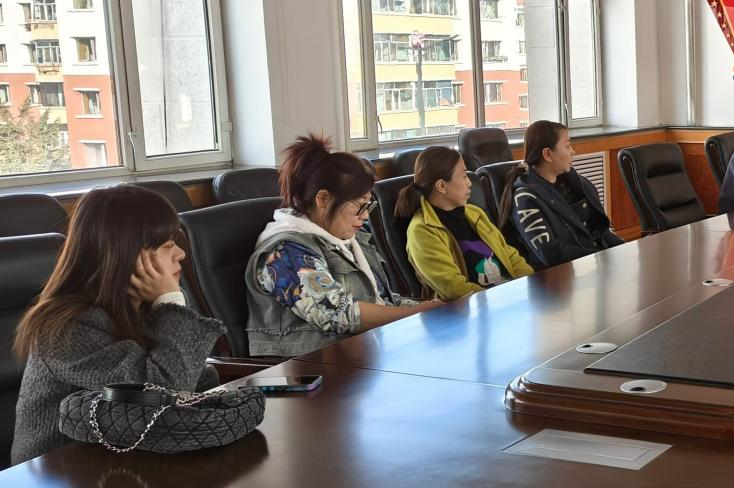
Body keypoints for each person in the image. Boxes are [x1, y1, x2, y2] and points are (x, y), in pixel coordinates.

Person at [11, 185, 225, 465]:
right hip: (60, 478)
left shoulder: (142, 307)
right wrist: (172, 304)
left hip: (121, 462)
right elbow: (163, 394)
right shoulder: (66, 327)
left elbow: (189, 382)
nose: (180, 254)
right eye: (167, 245)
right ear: (130, 254)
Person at [247, 134, 437, 356]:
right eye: (359, 205)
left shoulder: (349, 240)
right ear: (323, 199)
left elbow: (385, 301)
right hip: (311, 366)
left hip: (361, 355)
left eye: (368, 205)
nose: (365, 216)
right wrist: (417, 314)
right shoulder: (284, 252)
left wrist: (437, 307)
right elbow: (337, 313)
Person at [398, 146, 533, 300]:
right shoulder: (422, 231)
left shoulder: (474, 213)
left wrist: (529, 284)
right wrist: (501, 298)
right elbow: (454, 288)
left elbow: (509, 254)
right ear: (442, 186)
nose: (469, 183)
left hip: (508, 297)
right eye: (463, 176)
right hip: (471, 308)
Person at [501, 121, 622, 269]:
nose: (573, 151)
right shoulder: (525, 200)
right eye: (567, 146)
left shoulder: (576, 184)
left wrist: (623, 249)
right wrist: (600, 259)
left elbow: (600, 229)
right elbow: (552, 253)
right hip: (559, 277)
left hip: (591, 265)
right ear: (547, 154)